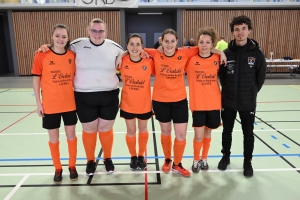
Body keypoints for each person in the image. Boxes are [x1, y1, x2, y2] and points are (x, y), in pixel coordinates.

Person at [39, 18, 124, 175]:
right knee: (89, 129)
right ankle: (90, 160)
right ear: (88, 30)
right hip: (84, 97)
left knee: (106, 128)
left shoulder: (115, 47)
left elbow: (132, 53)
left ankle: (108, 158)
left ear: (106, 32)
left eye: (101, 31)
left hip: (109, 96)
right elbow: (59, 47)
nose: (97, 34)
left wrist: (139, 52)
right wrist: (47, 47)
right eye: (94, 30)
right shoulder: (76, 45)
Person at [142, 29, 226, 177]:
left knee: (181, 134)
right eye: (166, 41)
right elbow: (135, 49)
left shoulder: (184, 53)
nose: (169, 44)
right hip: (160, 100)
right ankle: (168, 160)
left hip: (179, 100)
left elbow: (205, 47)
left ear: (177, 42)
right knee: (166, 132)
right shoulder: (155, 53)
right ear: (161, 41)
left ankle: (178, 164)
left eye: (172, 41)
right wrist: (124, 54)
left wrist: (221, 53)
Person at [218, 15, 266, 177]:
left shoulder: (257, 54)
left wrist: (251, 92)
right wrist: (228, 90)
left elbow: (260, 77)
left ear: (249, 30)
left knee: (248, 134)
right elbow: (222, 76)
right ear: (232, 32)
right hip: (229, 101)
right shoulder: (226, 53)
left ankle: (247, 162)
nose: (240, 32)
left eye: (243, 29)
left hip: (248, 102)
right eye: (237, 29)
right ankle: (225, 156)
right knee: (227, 131)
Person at [32, 24, 78, 184]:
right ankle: (57, 168)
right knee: (54, 139)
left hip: (70, 104)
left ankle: (72, 166)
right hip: (50, 105)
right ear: (52, 37)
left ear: (67, 38)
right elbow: (36, 79)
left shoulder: (72, 55)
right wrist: (38, 103)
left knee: (71, 137)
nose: (60, 39)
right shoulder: (41, 55)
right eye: (57, 36)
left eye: (64, 36)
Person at [185, 27, 221, 173]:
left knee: (208, 133)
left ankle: (204, 158)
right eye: (201, 42)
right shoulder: (190, 59)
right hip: (198, 104)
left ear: (212, 44)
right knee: (198, 135)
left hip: (214, 103)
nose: (204, 45)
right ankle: (195, 160)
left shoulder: (217, 59)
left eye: (207, 42)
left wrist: (221, 52)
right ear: (197, 43)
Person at [118, 33, 155, 170]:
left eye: (138, 44)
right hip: (128, 103)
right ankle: (133, 156)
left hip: (144, 104)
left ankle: (141, 156)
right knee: (131, 131)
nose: (134, 47)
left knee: (143, 129)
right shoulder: (122, 61)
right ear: (127, 46)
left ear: (142, 47)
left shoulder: (148, 62)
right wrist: (120, 55)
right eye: (131, 44)